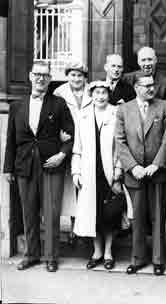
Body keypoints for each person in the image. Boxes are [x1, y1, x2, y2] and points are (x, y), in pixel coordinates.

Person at [3, 61, 74, 272]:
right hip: (25, 165)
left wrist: (62, 155)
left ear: (50, 79)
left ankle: (51, 257)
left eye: (45, 75)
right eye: (37, 74)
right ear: (30, 76)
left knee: (51, 212)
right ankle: (31, 254)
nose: (41, 78)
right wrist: (8, 168)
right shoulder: (17, 105)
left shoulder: (59, 104)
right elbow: (11, 139)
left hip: (51, 165)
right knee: (29, 211)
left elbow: (71, 134)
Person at [115, 72, 166, 276]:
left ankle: (159, 259)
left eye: (153, 85)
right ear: (136, 88)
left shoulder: (164, 106)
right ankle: (138, 258)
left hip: (157, 173)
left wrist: (156, 164)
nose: (151, 88)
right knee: (137, 218)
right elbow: (120, 141)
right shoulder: (124, 109)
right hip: (135, 173)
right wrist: (133, 167)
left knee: (158, 216)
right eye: (146, 85)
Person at [71, 81, 124, 270]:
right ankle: (97, 251)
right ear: (91, 95)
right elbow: (77, 148)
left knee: (109, 213)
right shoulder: (82, 115)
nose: (100, 96)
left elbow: (120, 144)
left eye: (104, 93)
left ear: (108, 95)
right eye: (97, 93)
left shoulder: (116, 113)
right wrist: (76, 171)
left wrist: (119, 168)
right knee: (92, 213)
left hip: (109, 171)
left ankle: (109, 251)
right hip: (89, 172)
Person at [53, 60, 91, 245]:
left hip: (87, 145)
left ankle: (83, 227)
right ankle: (72, 226)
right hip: (67, 144)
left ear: (85, 78)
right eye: (73, 75)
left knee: (84, 186)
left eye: (80, 75)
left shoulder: (92, 91)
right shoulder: (59, 92)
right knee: (69, 187)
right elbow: (52, 116)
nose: (76, 78)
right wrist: (57, 134)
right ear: (68, 76)